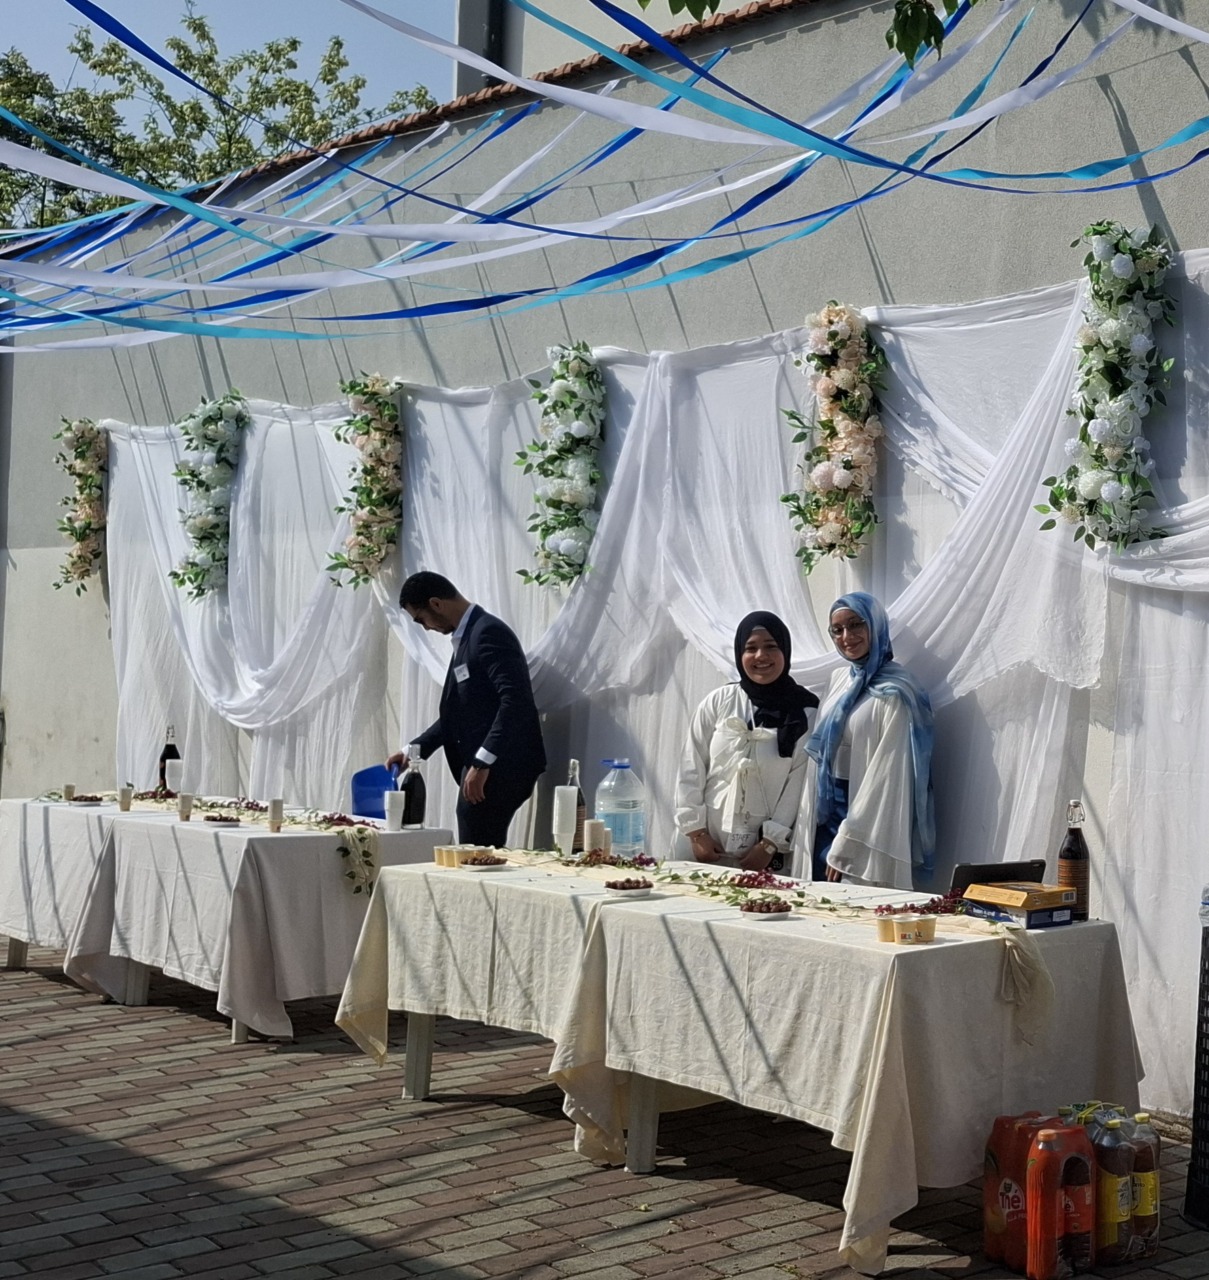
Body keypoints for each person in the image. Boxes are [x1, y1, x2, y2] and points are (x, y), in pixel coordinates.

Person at [388, 572, 546, 846]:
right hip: (485, 766)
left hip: (501, 766)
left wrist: (483, 761)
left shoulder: (487, 633)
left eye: (420, 619)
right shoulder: (468, 636)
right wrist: (412, 751)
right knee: (475, 849)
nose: (425, 628)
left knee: (477, 853)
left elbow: (516, 701)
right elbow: (458, 714)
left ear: (436, 604)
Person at [792, 592, 935, 889]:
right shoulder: (838, 680)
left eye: (856, 624)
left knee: (853, 900)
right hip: (825, 810)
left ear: (876, 625)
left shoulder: (897, 692)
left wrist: (849, 841)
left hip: (864, 817)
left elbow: (887, 774)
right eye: (837, 630)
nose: (847, 636)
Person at [674, 612, 819, 871]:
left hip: (766, 856)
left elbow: (798, 784)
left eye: (771, 646)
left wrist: (769, 844)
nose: (761, 656)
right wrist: (696, 832)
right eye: (751, 648)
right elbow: (691, 765)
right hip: (705, 847)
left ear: (785, 650)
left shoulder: (805, 712)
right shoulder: (719, 701)